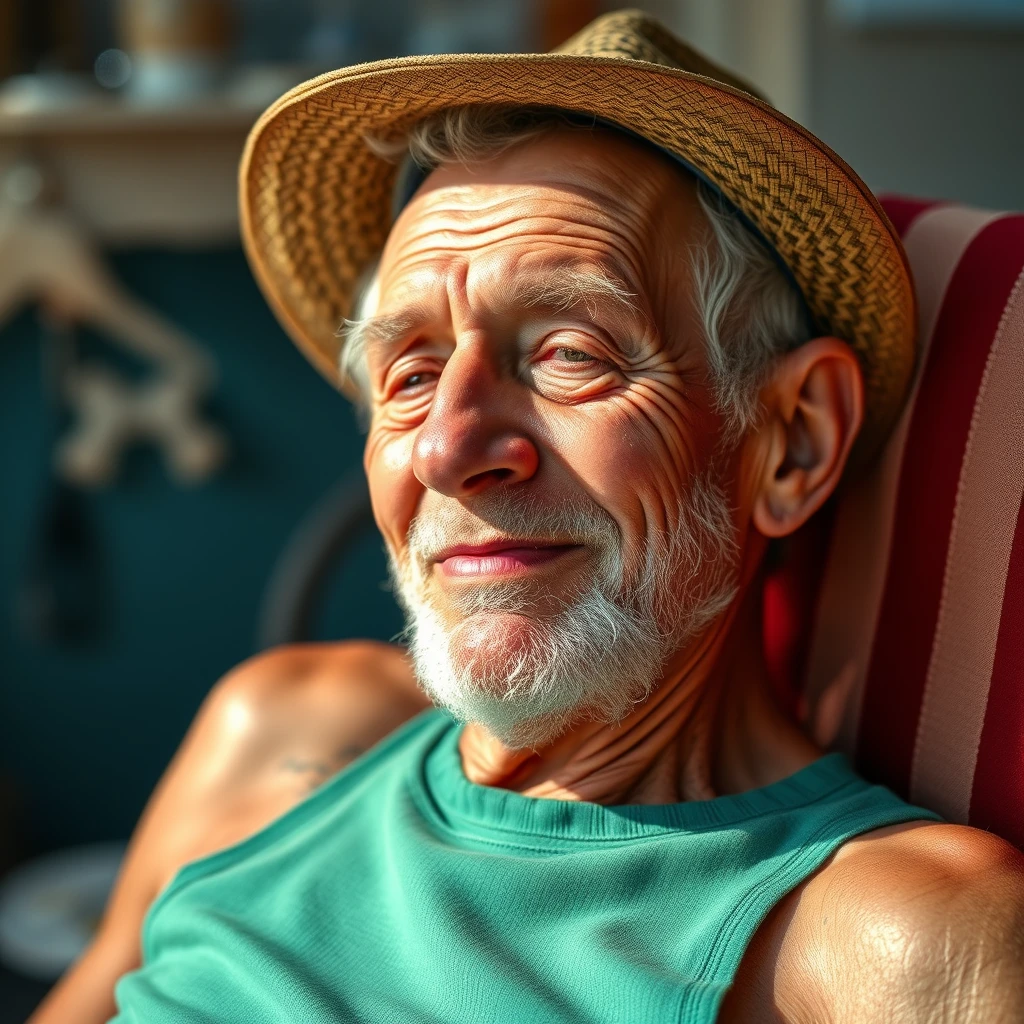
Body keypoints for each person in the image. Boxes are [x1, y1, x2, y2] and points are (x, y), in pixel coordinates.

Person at [31, 11, 1024, 1024]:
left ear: (792, 440)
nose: (447, 448)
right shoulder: (283, 726)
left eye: (568, 353)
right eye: (409, 374)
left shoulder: (886, 939)